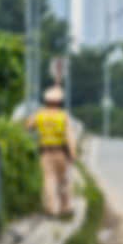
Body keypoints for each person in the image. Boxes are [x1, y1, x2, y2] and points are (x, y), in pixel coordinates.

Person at [31, 85, 76, 220]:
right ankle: (65, 207)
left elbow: (27, 125)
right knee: (64, 180)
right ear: (59, 102)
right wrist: (73, 154)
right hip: (61, 152)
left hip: (45, 153)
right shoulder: (63, 116)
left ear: (46, 101)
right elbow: (69, 136)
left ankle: (51, 209)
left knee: (49, 180)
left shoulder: (40, 115)